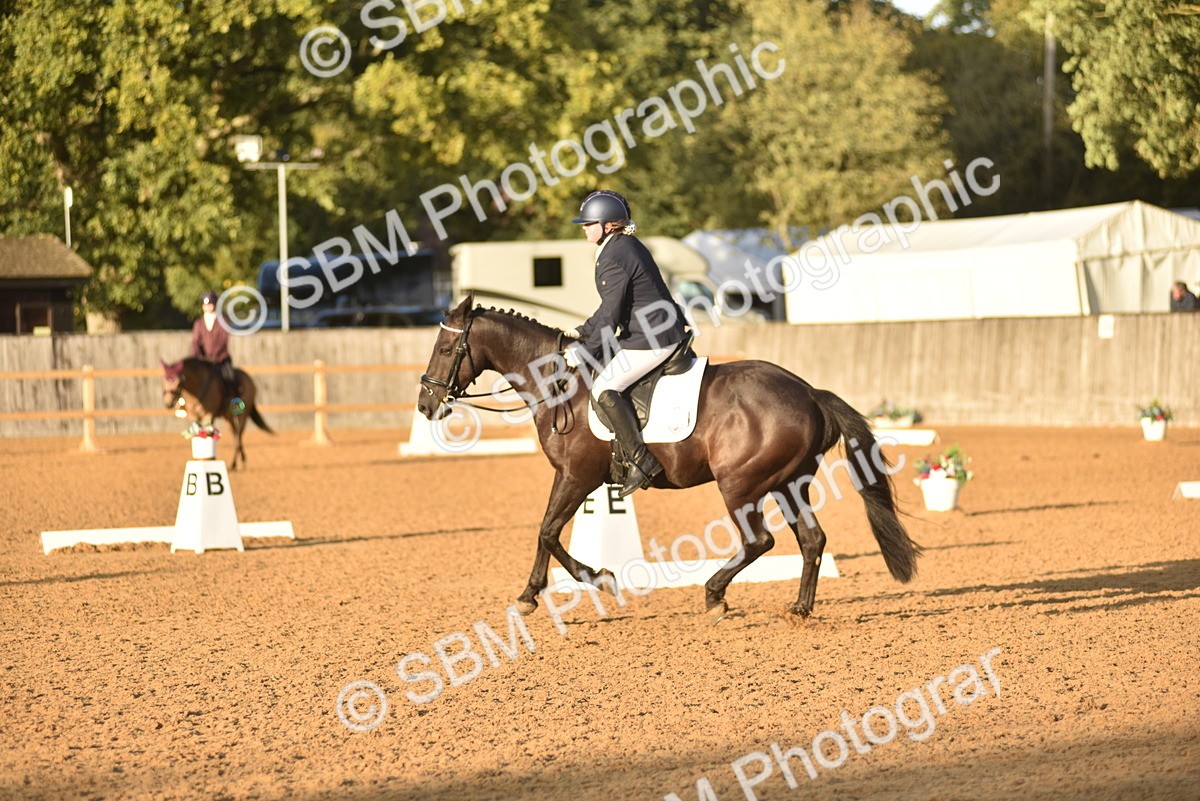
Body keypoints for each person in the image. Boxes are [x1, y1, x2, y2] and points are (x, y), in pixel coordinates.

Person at [563, 190, 688, 497]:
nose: (584, 228)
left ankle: (641, 460)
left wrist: (585, 352)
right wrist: (582, 331)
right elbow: (608, 308)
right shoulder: (622, 246)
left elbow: (610, 315)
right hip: (649, 330)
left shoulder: (613, 255)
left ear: (607, 225)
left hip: (653, 337)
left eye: (589, 223)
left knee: (604, 387)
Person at [191, 291, 245, 414]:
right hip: (204, 361)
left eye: (210, 304)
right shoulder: (198, 323)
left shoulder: (223, 321)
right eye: (205, 304)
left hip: (221, 359)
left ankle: (236, 404)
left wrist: (215, 356)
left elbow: (224, 340)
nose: (208, 307)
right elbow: (195, 342)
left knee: (231, 378)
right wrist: (199, 357)